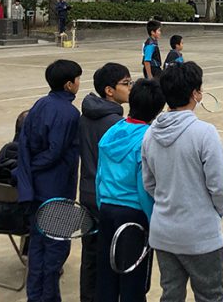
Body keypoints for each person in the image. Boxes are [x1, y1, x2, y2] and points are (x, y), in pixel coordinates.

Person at [142, 62, 223, 302]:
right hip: (200, 235)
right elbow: (219, 186)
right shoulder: (204, 133)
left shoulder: (150, 133)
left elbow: (149, 183)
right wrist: (215, 212)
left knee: (171, 294)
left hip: (164, 233)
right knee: (210, 295)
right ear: (195, 94)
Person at [16, 60, 83, 302]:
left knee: (37, 247)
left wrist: (27, 172)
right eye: (77, 79)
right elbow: (55, 152)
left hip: (36, 188)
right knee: (55, 249)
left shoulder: (39, 105)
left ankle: (35, 296)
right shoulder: (69, 114)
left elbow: (23, 143)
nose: (78, 83)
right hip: (57, 189)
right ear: (68, 85)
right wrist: (35, 166)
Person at [95, 78, 166, 302]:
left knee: (106, 276)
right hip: (133, 215)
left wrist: (102, 204)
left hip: (107, 208)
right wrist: (152, 219)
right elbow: (144, 186)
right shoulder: (147, 139)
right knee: (133, 279)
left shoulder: (112, 131)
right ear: (158, 110)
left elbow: (100, 175)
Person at [78, 63, 131, 302]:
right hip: (105, 196)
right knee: (110, 255)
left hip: (87, 192)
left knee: (90, 253)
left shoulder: (86, 114)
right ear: (109, 90)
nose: (130, 88)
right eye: (126, 83)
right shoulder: (113, 123)